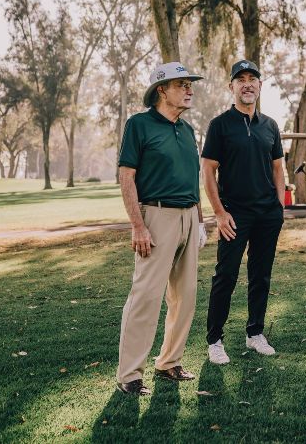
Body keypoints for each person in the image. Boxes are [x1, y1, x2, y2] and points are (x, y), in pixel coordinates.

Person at [115, 61, 209, 395]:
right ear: (161, 90)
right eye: (182, 84)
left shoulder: (187, 130)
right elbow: (127, 177)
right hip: (155, 217)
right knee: (146, 296)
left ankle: (169, 362)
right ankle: (129, 375)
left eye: (190, 84)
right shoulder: (139, 125)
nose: (189, 90)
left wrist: (200, 221)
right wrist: (137, 225)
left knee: (185, 298)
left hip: (188, 217)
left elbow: (193, 179)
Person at [201, 60, 286, 364]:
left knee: (260, 276)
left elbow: (278, 169)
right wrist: (219, 213)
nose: (247, 84)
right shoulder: (220, 125)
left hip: (267, 215)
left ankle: (255, 333)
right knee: (225, 276)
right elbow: (208, 170)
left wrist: (279, 207)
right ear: (232, 87)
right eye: (241, 79)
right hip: (234, 215)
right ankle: (215, 340)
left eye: (252, 79)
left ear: (260, 86)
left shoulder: (270, 126)